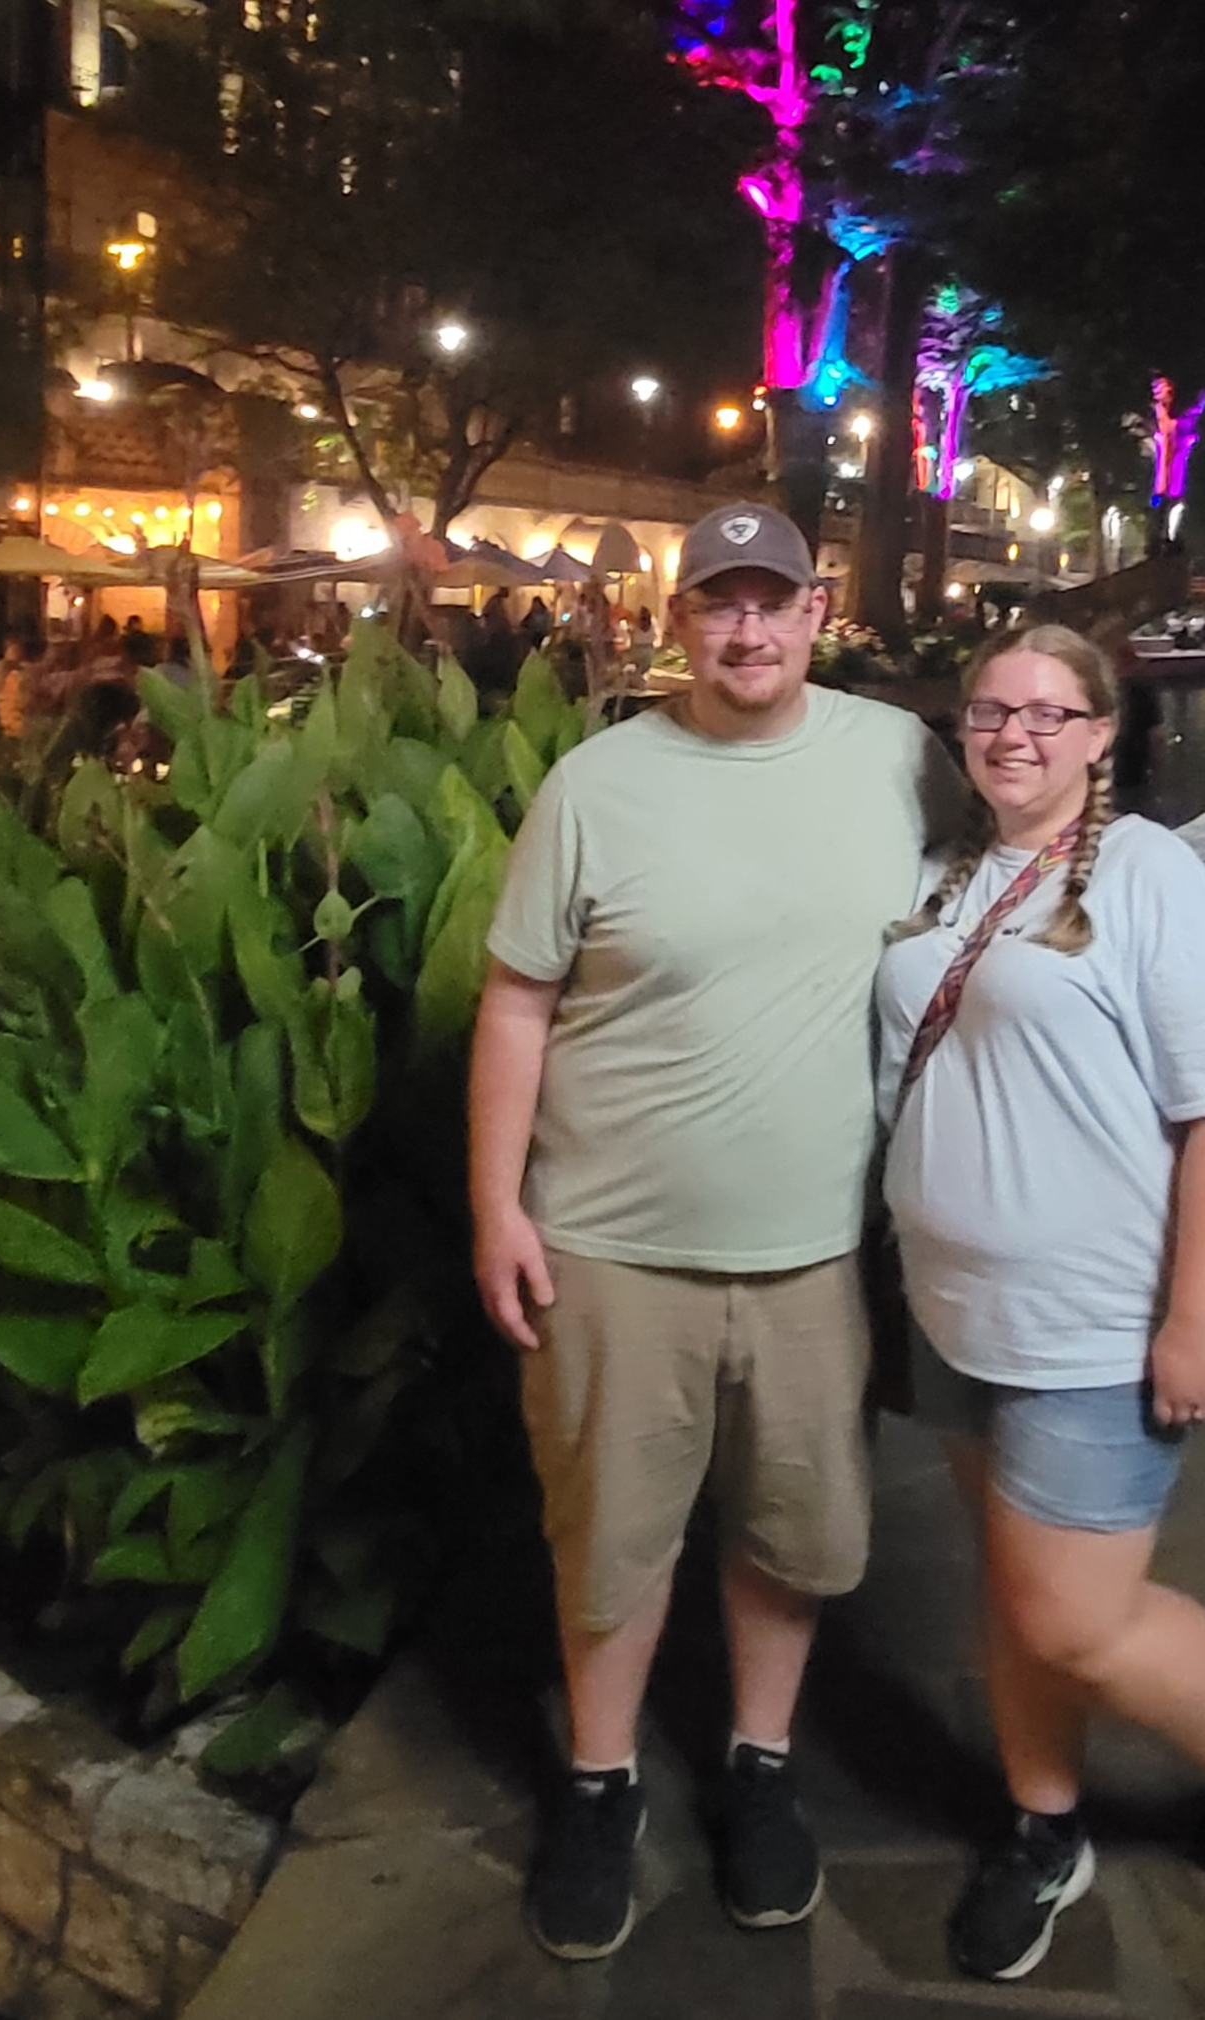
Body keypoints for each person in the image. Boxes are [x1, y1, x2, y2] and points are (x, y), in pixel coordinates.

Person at [471, 503, 961, 1964]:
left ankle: (758, 1766)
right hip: (610, 1249)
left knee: (787, 1538)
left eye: (774, 602)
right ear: (676, 622)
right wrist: (496, 1204)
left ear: (821, 613)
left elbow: (1011, 880)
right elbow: (514, 1000)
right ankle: (602, 1784)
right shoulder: (595, 784)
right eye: (716, 604)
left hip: (814, 1252)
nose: (747, 629)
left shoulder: (898, 760)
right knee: (610, 1544)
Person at [875, 626, 1205, 1985]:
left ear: (1098, 735)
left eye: (1046, 712)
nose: (1012, 733)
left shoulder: (1150, 879)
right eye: (988, 712)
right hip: (950, 1305)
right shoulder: (946, 876)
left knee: (1078, 1617)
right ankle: (1041, 1821)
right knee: (1019, 1598)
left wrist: (1196, 1319)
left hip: (1091, 1321)